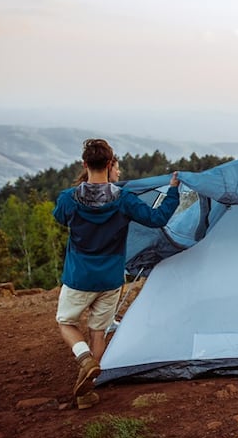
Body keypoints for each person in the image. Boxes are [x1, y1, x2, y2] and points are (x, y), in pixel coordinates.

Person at [53, 139, 181, 409]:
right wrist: (172, 191)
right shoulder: (124, 200)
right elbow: (157, 218)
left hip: (79, 277)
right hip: (111, 278)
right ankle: (87, 392)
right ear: (110, 164)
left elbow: (60, 217)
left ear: (85, 164)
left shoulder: (69, 199)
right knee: (98, 332)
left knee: (66, 322)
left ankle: (84, 359)